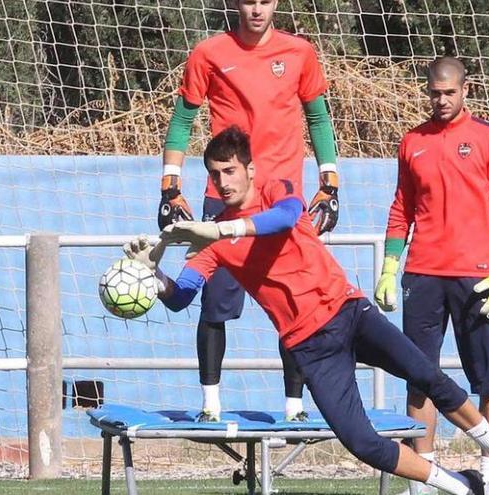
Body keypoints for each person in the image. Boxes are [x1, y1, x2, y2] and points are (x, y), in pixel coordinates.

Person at [126, 126, 489, 495]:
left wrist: (222, 227)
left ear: (250, 169)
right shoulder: (213, 237)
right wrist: (152, 272)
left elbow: (286, 216)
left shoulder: (274, 191)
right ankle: (460, 486)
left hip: (349, 312)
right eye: (215, 174)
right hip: (310, 347)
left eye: (230, 170)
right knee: (360, 441)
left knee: (426, 375)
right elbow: (182, 295)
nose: (222, 181)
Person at [157, 0, 340, 422]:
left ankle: (294, 409)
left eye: (265, 0)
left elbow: (318, 117)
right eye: (248, 1)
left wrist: (329, 181)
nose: (256, 9)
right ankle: (210, 406)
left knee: (294, 305)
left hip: (283, 203)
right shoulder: (208, 53)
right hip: (225, 195)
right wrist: (170, 185)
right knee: (212, 302)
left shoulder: (300, 53)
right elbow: (183, 118)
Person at [374, 57, 489, 495]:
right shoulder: (412, 142)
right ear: (427, 91)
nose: (441, 100)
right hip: (421, 275)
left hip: (476, 278)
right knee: (418, 375)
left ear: (465, 90)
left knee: (488, 379)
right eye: (434, 93)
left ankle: (488, 474)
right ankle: (423, 476)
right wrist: (389, 266)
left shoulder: (488, 140)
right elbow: (401, 209)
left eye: (449, 92)